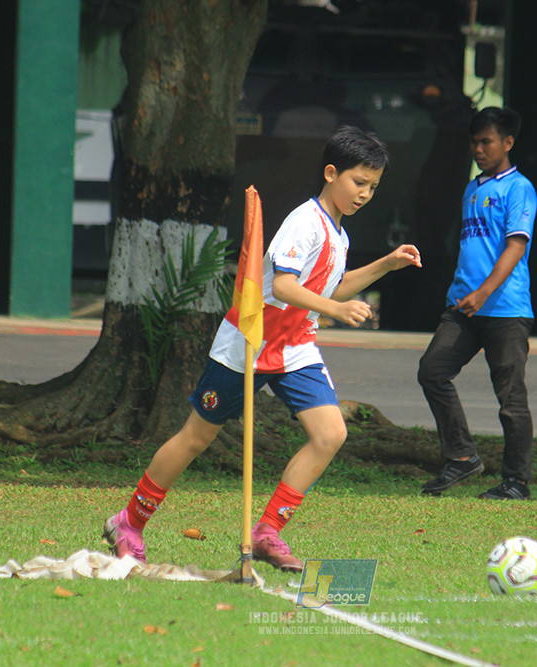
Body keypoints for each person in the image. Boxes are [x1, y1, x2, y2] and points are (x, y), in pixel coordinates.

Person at [103, 125, 422, 571]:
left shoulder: (339, 233)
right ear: (331, 173)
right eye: (359, 182)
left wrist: (387, 264)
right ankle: (128, 523)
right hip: (249, 343)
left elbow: (334, 283)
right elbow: (286, 286)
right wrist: (335, 307)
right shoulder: (304, 222)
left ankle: (268, 532)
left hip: (295, 347)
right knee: (196, 437)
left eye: (373, 187)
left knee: (331, 433)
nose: (365, 194)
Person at [417, 106, 537, 500]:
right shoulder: (473, 188)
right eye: (474, 142)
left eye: (486, 142)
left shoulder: (519, 188)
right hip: (464, 307)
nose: (479, 149)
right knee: (432, 371)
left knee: (510, 399)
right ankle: (462, 457)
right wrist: (464, 294)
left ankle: (516, 482)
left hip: (505, 310)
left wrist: (484, 292)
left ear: (508, 142)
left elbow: (515, 246)